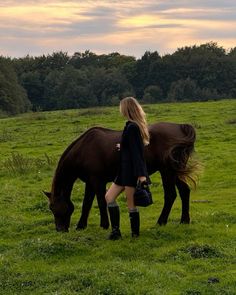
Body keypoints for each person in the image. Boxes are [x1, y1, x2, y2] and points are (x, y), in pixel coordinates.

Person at [105, 97, 150, 240]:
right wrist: (122, 146)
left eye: (121, 107)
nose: (120, 109)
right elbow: (132, 147)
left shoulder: (133, 127)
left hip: (131, 171)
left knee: (131, 203)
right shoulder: (130, 125)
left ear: (126, 108)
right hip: (123, 170)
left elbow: (137, 153)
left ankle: (135, 235)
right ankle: (116, 232)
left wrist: (141, 175)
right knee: (109, 197)